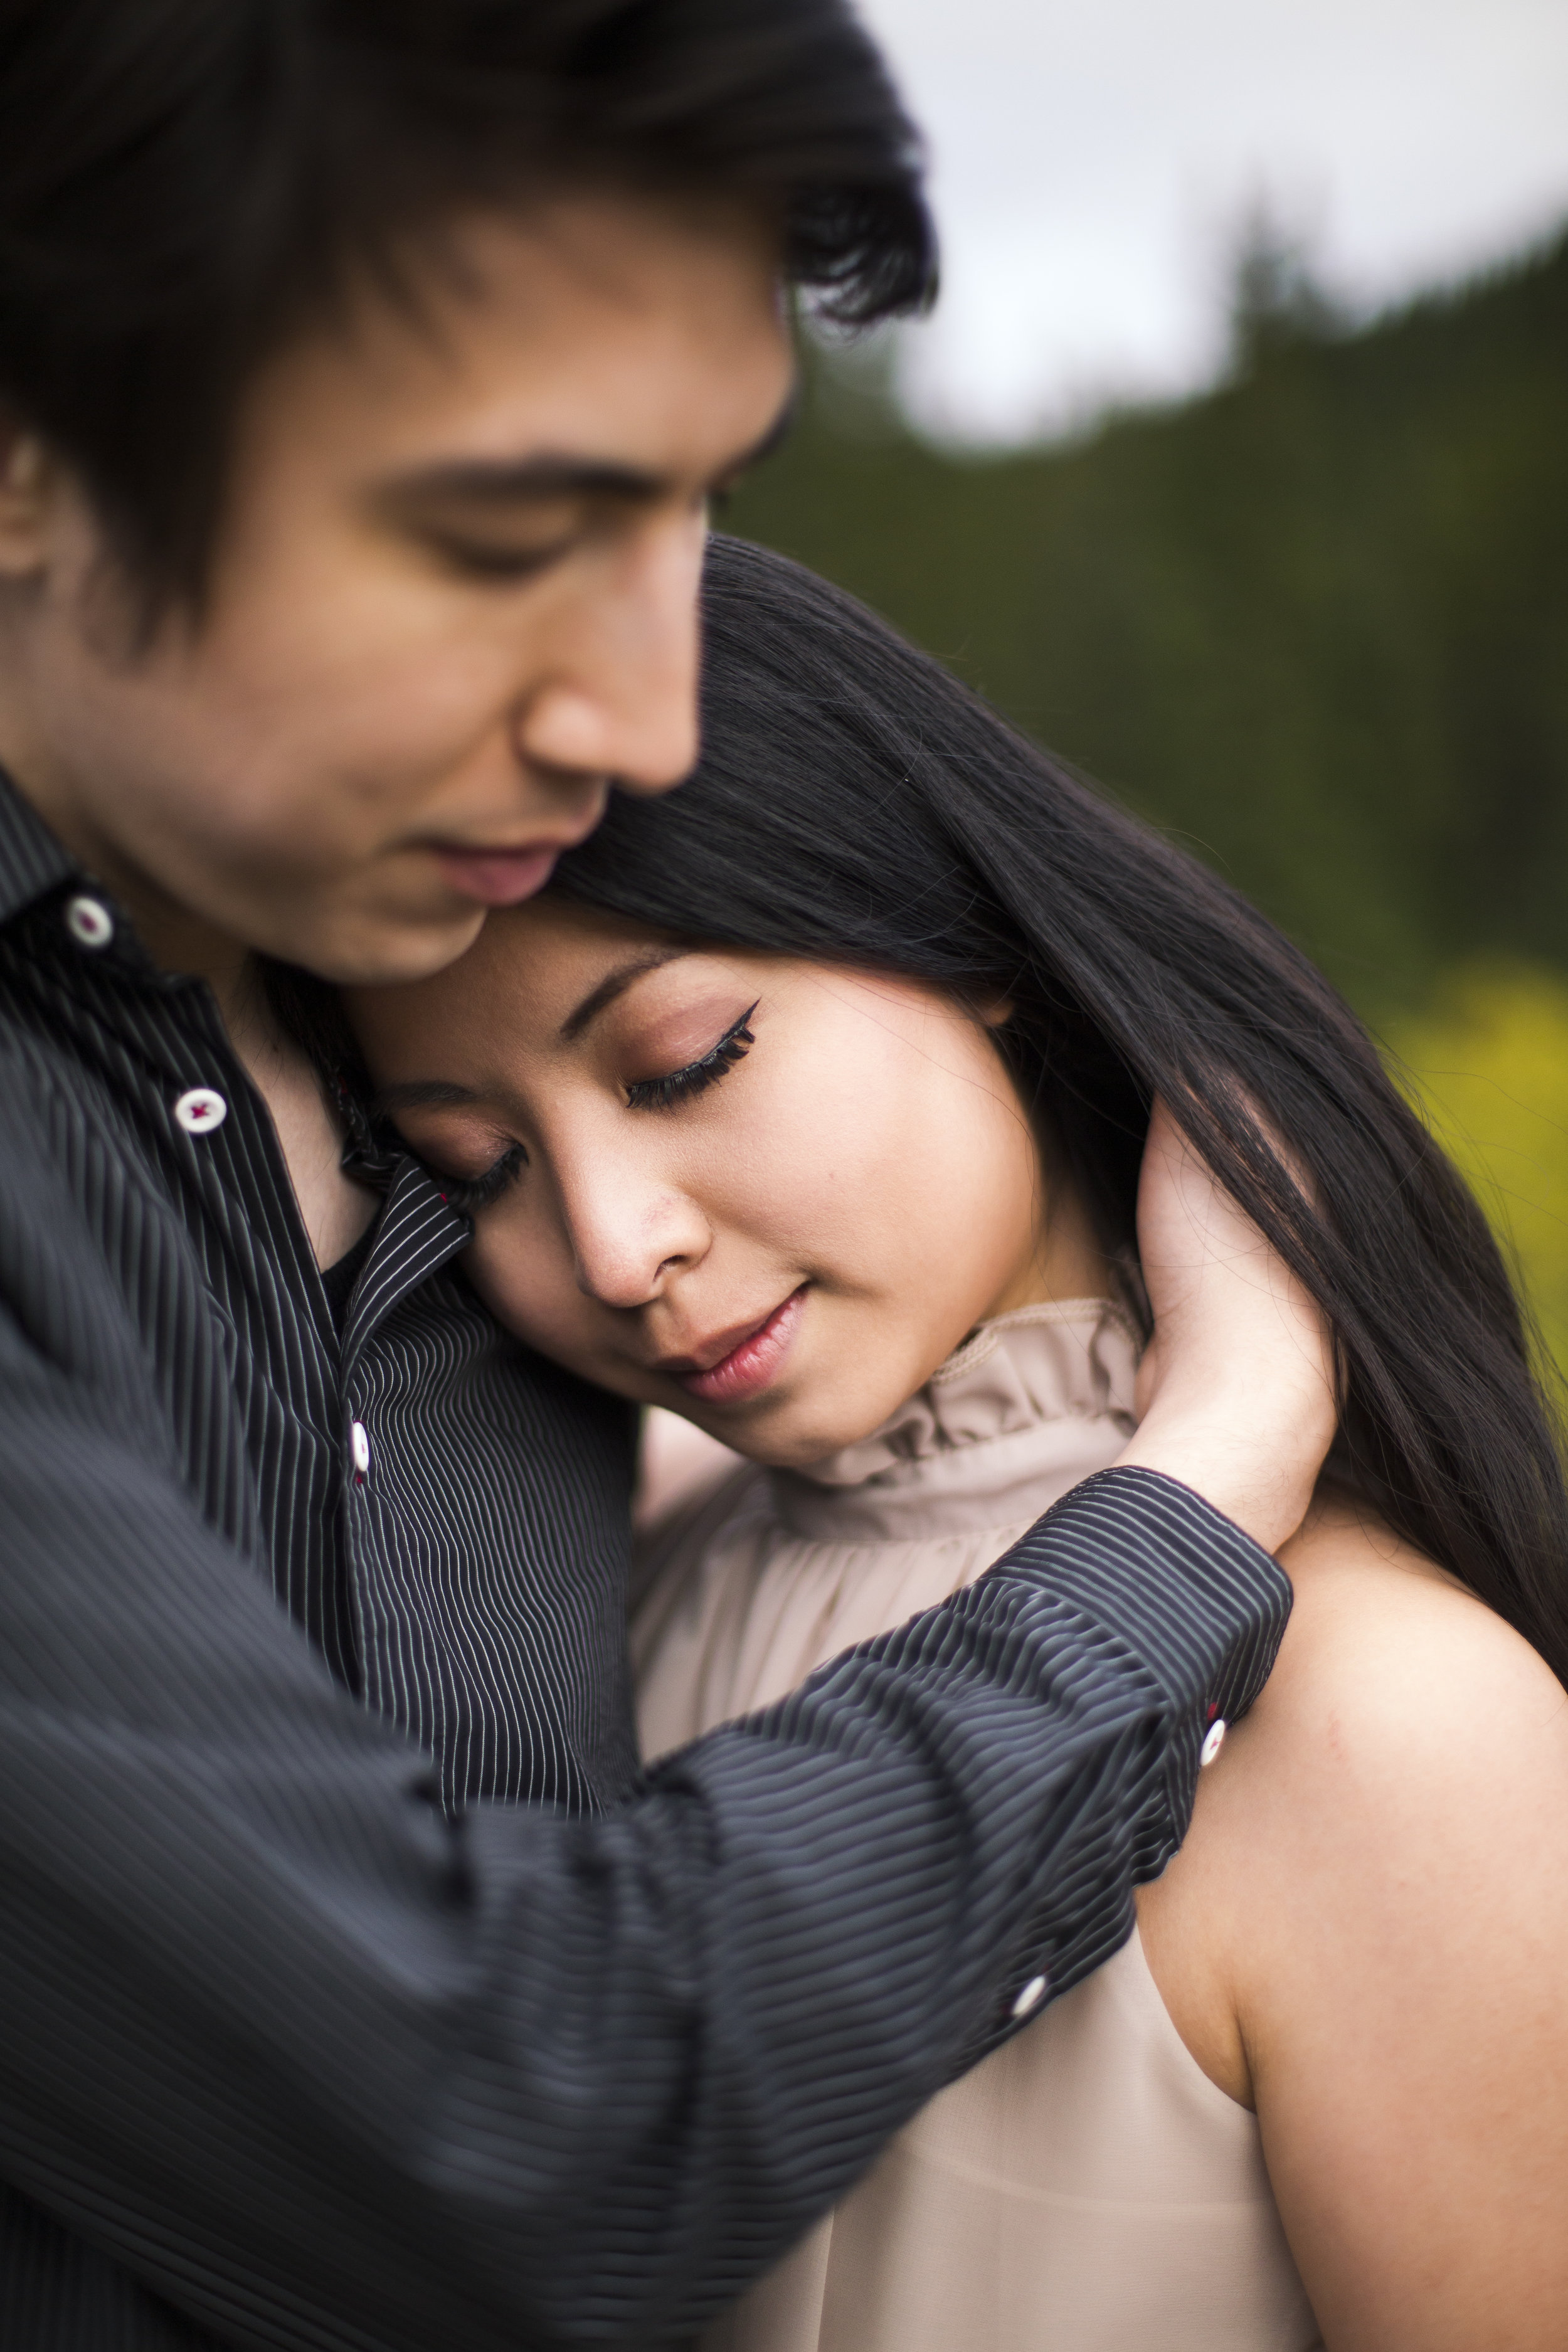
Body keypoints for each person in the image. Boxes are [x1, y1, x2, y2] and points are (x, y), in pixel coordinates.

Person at [0, 8, 1327, 2348]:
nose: (649, 724)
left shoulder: (412, 1006)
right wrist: (1205, 1477)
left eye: (697, 506)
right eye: (516, 532)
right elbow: (513, 2137)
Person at [343, 538, 1568, 2352]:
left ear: (963, 941)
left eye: (683, 1060)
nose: (614, 1247)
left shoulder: (1390, 1724)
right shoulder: (621, 1583)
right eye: (478, 1172)